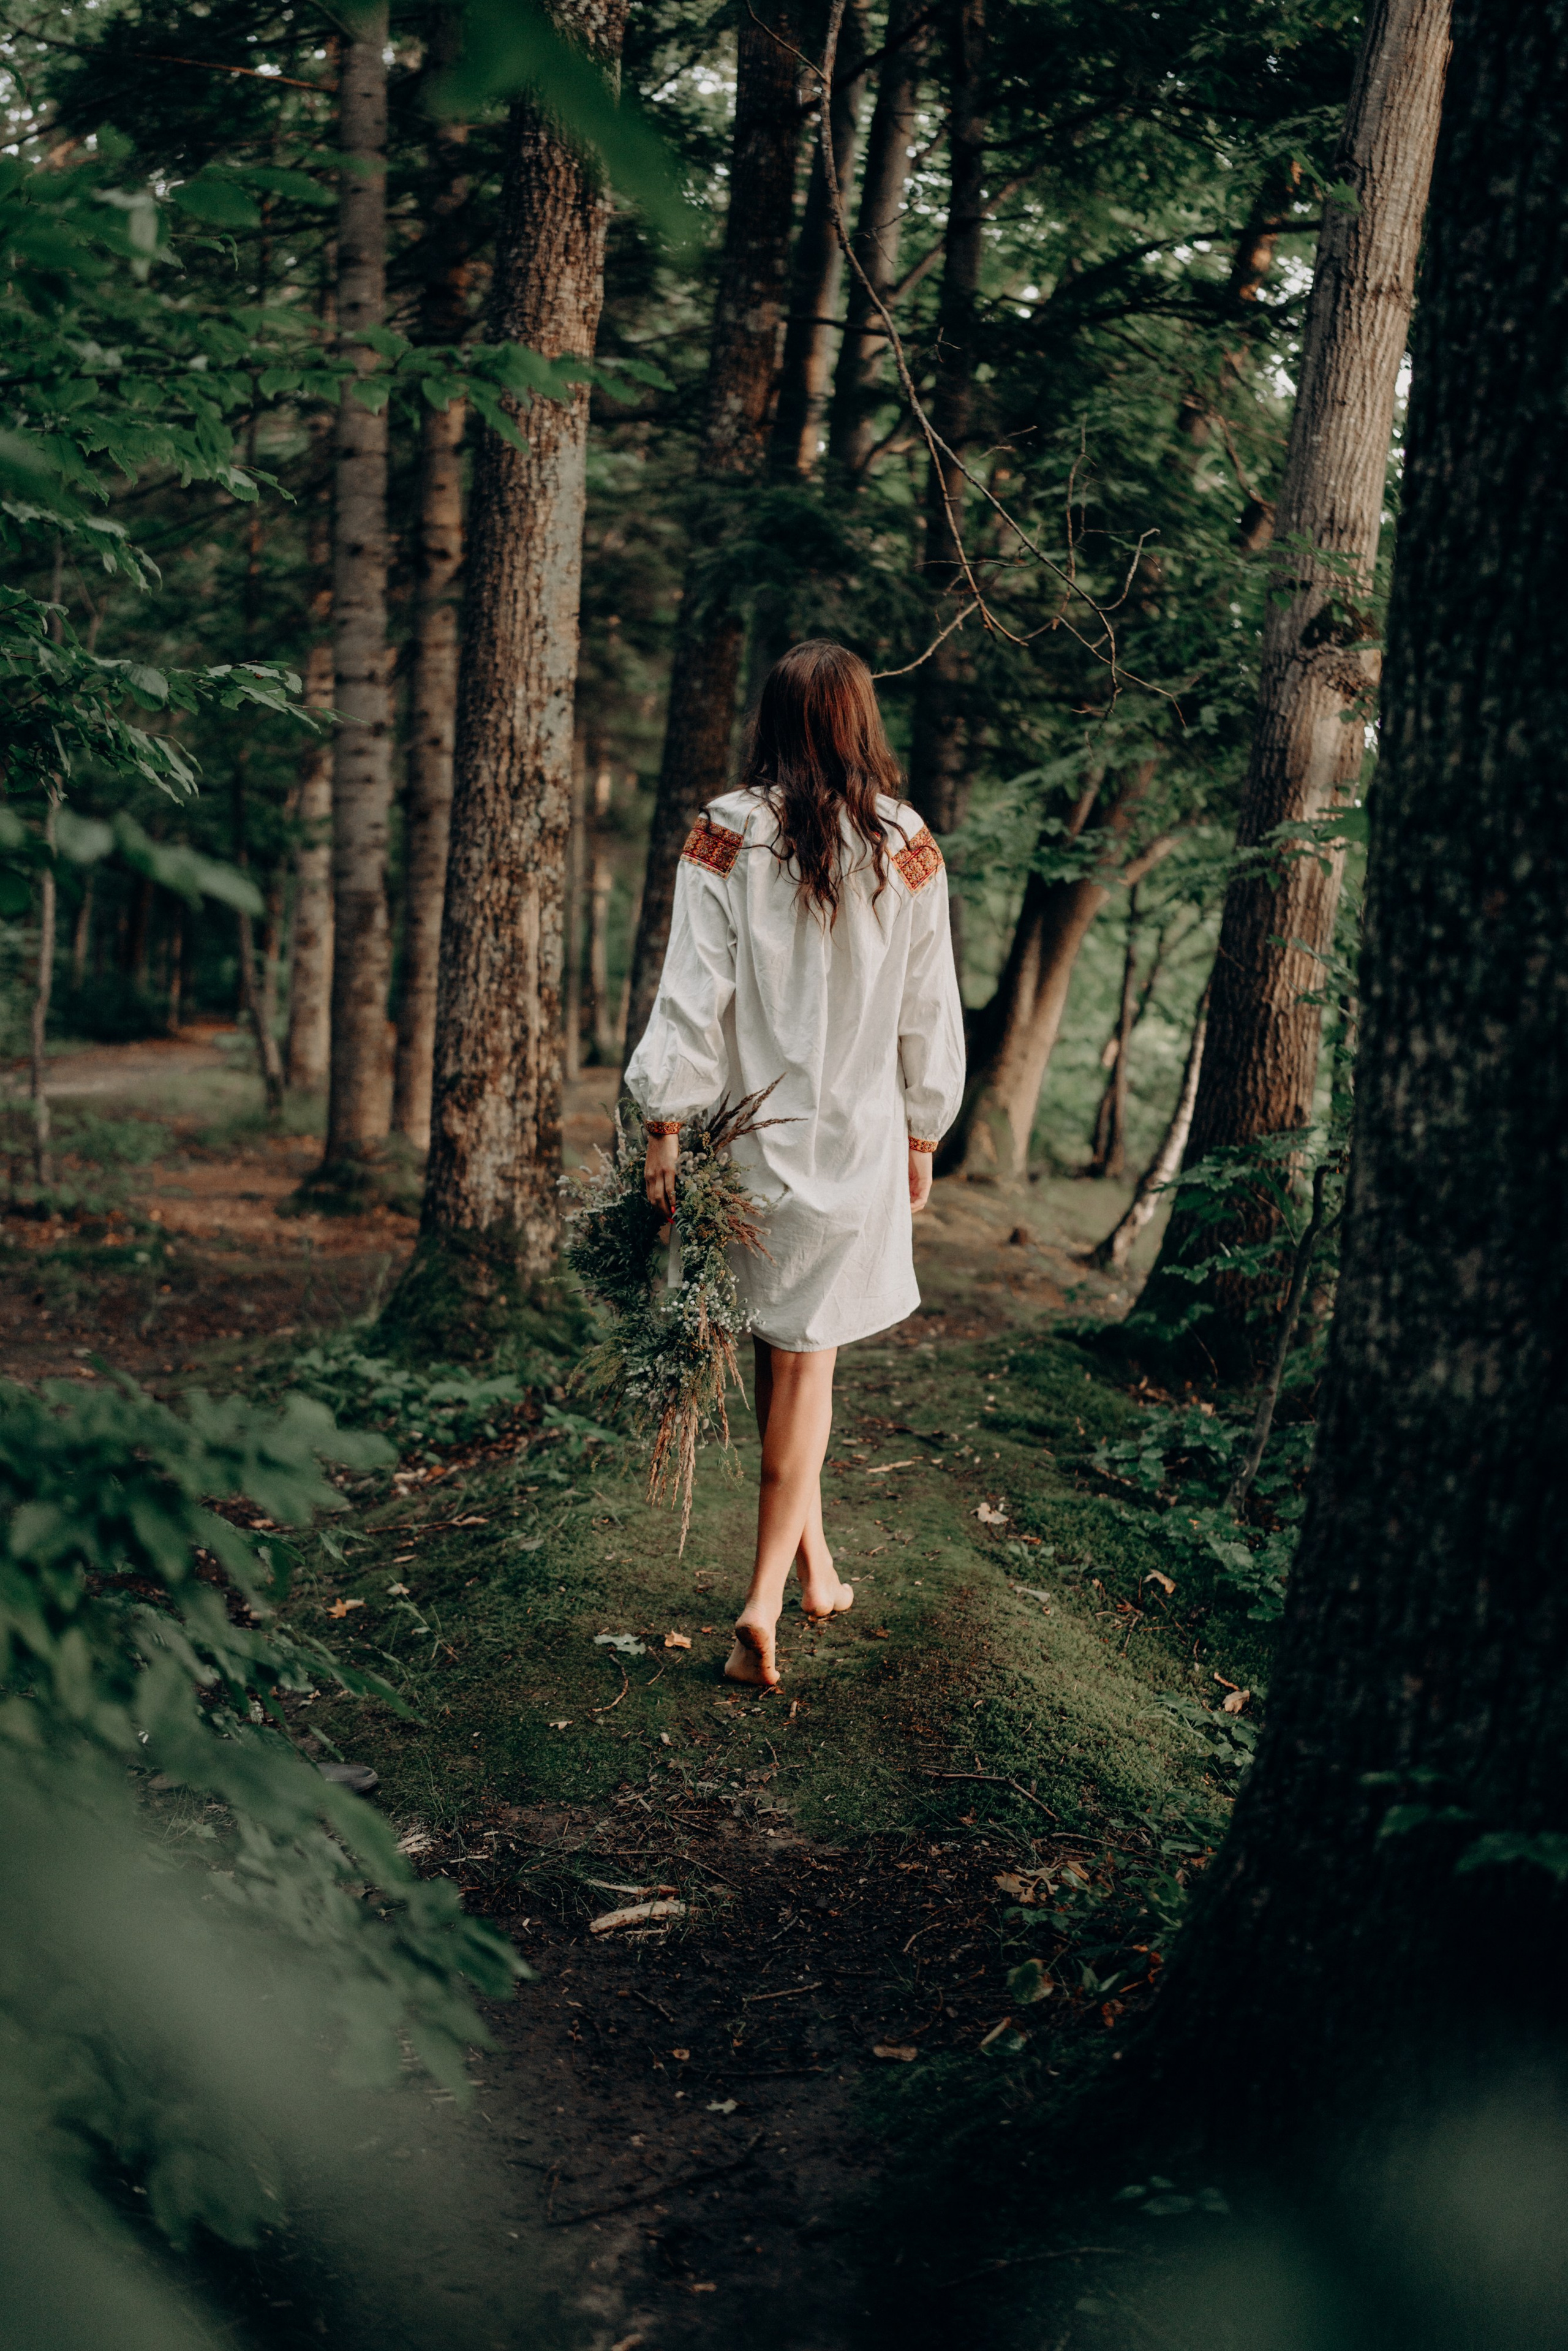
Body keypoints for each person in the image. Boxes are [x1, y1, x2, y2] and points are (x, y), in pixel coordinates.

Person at [624, 640, 965, 1687]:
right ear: (862, 723)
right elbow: (929, 1008)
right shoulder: (907, 843)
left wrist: (665, 1123)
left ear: (772, 720)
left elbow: (693, 989)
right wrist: (924, 1133)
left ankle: (817, 1573)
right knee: (806, 1360)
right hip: (857, 1141)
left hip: (751, 1144)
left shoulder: (725, 831)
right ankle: (764, 1599)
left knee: (790, 1348)